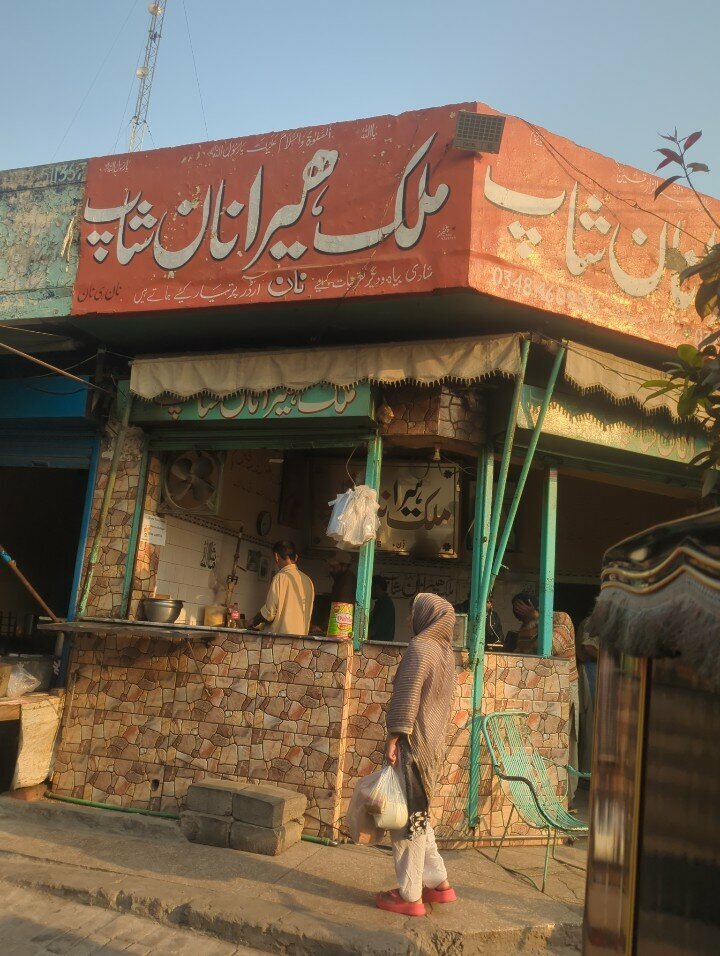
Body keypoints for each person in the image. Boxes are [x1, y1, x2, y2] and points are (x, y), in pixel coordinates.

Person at [376, 593, 458, 917]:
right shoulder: (445, 652)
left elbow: (408, 695)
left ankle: (410, 895)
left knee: (405, 822)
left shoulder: (419, 648)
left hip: (413, 744)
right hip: (432, 745)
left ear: (426, 616)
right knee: (420, 815)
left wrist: (394, 736)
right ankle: (438, 883)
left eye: (414, 613)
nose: (410, 620)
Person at [510, 592, 580, 805]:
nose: (518, 616)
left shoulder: (561, 619)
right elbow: (524, 655)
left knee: (567, 743)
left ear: (532, 605)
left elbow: (550, 648)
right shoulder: (526, 626)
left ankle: (568, 797)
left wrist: (536, 618)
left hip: (565, 688)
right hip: (542, 692)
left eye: (520, 610)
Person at [249, 540, 314, 636]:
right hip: (301, 640)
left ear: (276, 556)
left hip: (280, 639)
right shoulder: (308, 581)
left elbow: (269, 612)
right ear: (296, 557)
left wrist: (252, 621)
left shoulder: (280, 577)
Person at [368, 575, 396, 641]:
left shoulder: (384, 603)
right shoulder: (382, 602)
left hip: (379, 645)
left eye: (371, 587)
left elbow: (377, 628)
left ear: (377, 587)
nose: (370, 590)